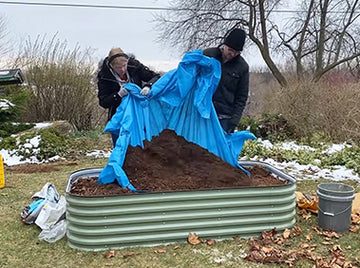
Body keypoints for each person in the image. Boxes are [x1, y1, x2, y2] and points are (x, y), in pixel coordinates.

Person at [97, 47, 160, 145]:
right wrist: (118, 95)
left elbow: (155, 77)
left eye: (124, 65)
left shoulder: (134, 66)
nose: (122, 69)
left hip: (140, 113)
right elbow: (103, 102)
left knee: (142, 146)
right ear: (111, 66)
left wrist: (148, 86)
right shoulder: (104, 77)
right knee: (121, 146)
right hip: (119, 117)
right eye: (118, 67)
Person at [203, 28, 249, 134]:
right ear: (224, 45)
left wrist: (234, 121)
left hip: (224, 117)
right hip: (202, 111)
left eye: (236, 52)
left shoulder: (242, 67)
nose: (232, 54)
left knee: (217, 150)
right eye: (231, 50)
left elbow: (241, 96)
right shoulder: (208, 55)